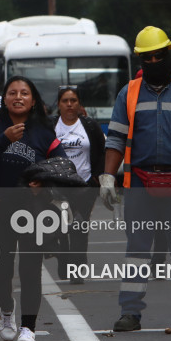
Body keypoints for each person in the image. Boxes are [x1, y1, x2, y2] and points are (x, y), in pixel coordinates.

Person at [99, 26, 171, 332]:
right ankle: (130, 313)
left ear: (168, 54)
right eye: (147, 58)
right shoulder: (128, 93)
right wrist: (108, 177)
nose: (154, 61)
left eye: (159, 55)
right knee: (137, 248)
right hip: (139, 181)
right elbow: (115, 139)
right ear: (141, 60)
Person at [0, 76, 67, 341]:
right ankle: (6, 309)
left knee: (30, 268)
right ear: (5, 98)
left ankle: (28, 328)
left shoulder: (44, 132)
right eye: (13, 92)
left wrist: (44, 179)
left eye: (25, 93)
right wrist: (3, 139)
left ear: (33, 100)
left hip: (31, 210)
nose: (18, 97)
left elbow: (64, 167)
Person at [51, 85, 106, 284]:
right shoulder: (51, 126)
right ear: (58, 104)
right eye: (65, 101)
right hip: (57, 186)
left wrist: (97, 178)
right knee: (62, 226)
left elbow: (101, 152)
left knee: (80, 226)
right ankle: (63, 255)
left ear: (79, 103)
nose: (69, 104)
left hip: (84, 185)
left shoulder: (90, 126)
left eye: (73, 100)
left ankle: (77, 270)